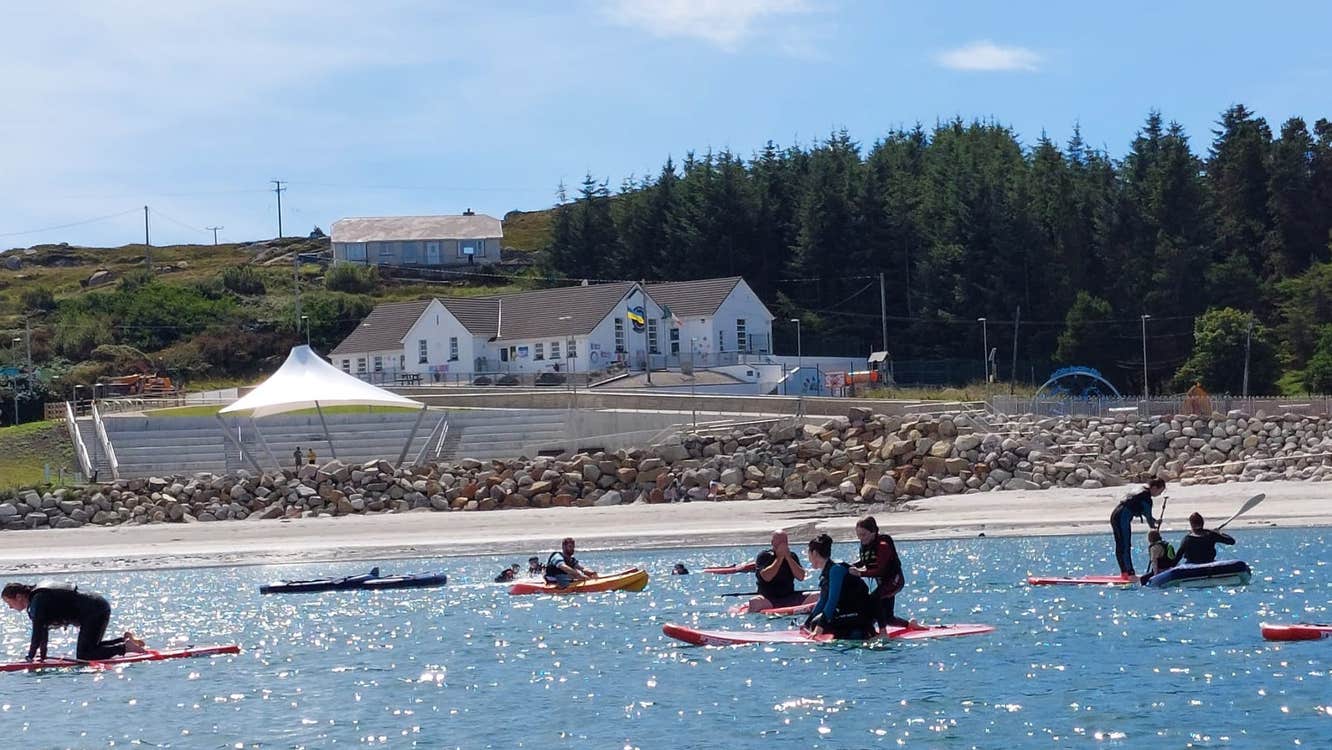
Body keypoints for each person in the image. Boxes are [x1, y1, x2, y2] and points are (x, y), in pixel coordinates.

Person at [3, 581, 147, 662]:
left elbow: (37, 633)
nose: (10, 607)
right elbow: (42, 631)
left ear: (19, 596)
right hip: (97, 606)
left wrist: (30, 656)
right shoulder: (37, 598)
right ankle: (124, 640)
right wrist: (42, 656)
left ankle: (125, 648)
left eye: (9, 602)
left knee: (85, 655)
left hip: (94, 610)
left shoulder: (37, 601)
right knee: (91, 648)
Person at [847, 516, 916, 631]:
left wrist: (860, 574)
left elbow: (880, 571)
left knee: (874, 598)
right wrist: (848, 566)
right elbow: (865, 562)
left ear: (873, 532)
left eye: (864, 535)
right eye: (858, 535)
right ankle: (911, 625)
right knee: (888, 618)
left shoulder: (883, 546)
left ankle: (882, 631)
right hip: (883, 584)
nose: (861, 538)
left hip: (894, 582)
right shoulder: (866, 545)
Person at [802, 534, 876, 640]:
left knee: (818, 624)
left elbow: (832, 600)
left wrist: (818, 629)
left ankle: (861, 632)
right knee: (814, 623)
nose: (808, 557)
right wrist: (806, 624)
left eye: (808, 553)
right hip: (848, 612)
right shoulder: (826, 572)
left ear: (814, 553)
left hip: (860, 613)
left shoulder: (836, 569)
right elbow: (822, 601)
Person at [744, 530, 817, 613]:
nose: (782, 545)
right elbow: (766, 577)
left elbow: (801, 577)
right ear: (772, 543)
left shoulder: (792, 556)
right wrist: (779, 559)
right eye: (779, 542)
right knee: (754, 602)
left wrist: (789, 559)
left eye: (784, 542)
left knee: (817, 596)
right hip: (769, 599)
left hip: (789, 596)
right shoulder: (764, 556)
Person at [1110, 478, 1164, 576]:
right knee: (1125, 545)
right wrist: (1155, 532)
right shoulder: (1147, 499)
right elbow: (1148, 518)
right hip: (1122, 518)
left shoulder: (1141, 489)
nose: (1159, 494)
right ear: (1155, 488)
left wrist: (1155, 521)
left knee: (1120, 545)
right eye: (1160, 492)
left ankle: (1125, 572)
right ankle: (1129, 572)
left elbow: (1143, 511)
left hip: (1116, 515)